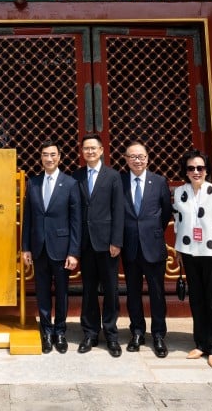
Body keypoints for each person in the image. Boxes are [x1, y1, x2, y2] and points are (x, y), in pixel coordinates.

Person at [172, 150, 212, 368]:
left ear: (206, 170)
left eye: (200, 168)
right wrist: (178, 251)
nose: (196, 172)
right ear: (185, 171)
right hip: (189, 252)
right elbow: (178, 224)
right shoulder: (180, 193)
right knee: (196, 299)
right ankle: (201, 343)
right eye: (191, 168)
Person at [21, 141, 81, 354]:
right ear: (41, 157)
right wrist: (25, 247)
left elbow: (76, 220)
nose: (49, 158)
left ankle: (60, 331)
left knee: (62, 292)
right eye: (45, 154)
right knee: (42, 291)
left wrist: (74, 252)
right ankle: (46, 331)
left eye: (52, 154)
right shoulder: (33, 182)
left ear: (59, 157)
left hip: (62, 247)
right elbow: (28, 217)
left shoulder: (70, 183)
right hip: (39, 247)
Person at [120, 141, 172, 357]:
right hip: (130, 245)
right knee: (132, 293)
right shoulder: (120, 181)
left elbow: (166, 212)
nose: (137, 160)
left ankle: (158, 334)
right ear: (126, 159)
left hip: (153, 245)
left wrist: (152, 231)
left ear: (148, 158)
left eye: (141, 156)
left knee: (157, 293)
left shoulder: (159, 181)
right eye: (132, 156)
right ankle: (137, 332)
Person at [74, 134, 124, 357]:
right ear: (82, 152)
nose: (90, 152)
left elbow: (118, 211)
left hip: (107, 244)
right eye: (86, 149)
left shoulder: (113, 176)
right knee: (89, 290)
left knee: (111, 291)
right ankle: (90, 333)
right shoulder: (76, 176)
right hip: (86, 243)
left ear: (102, 150)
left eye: (94, 148)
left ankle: (112, 335)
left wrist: (116, 240)